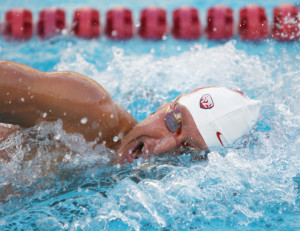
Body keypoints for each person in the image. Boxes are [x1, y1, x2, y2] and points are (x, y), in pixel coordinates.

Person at [0, 60, 261, 165]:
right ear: (169, 102)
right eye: (173, 121)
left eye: (187, 149)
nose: (160, 147)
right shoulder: (89, 110)